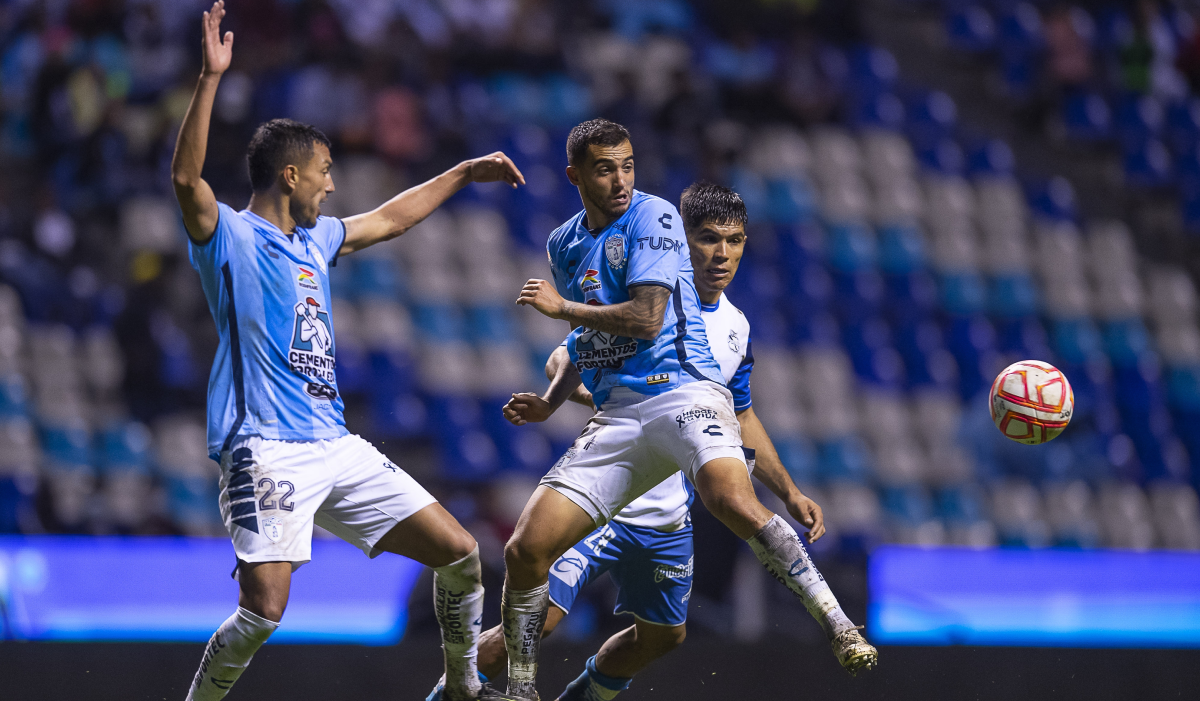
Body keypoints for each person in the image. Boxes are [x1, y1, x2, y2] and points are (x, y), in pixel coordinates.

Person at [170, 5, 525, 701]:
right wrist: (210, 80)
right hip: (265, 448)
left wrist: (460, 172)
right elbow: (187, 183)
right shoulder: (231, 240)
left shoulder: (316, 240)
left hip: (334, 444)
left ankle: (461, 688)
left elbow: (389, 218)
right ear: (291, 176)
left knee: (459, 554)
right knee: (263, 612)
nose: (333, 184)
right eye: (325, 171)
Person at [428, 181, 873, 701]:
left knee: (663, 637)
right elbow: (563, 357)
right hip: (605, 503)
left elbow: (742, 416)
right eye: (708, 239)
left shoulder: (736, 327)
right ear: (680, 241)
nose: (722, 255)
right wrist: (614, 402)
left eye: (734, 241)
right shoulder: (641, 297)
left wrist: (789, 491)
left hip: (664, 516)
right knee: (534, 624)